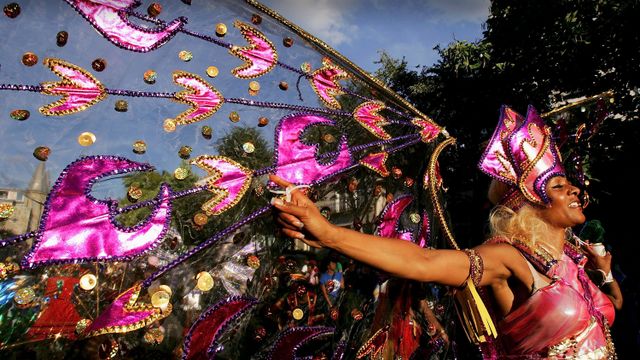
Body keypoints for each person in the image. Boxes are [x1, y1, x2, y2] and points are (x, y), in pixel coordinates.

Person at [270, 105, 623, 358]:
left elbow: (611, 309)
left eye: (572, 186)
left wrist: (604, 274)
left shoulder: (573, 263)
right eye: (560, 186)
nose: (576, 190)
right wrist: (330, 233)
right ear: (530, 200)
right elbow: (425, 262)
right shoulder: (510, 258)